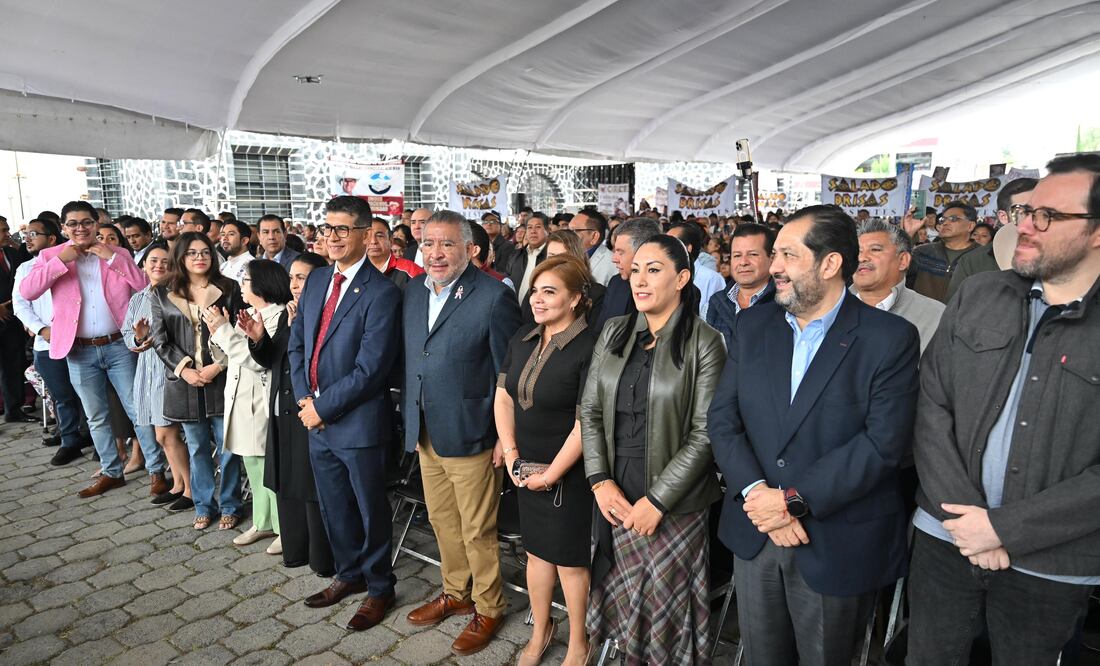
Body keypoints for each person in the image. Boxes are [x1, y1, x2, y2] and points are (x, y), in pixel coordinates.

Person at [908, 154, 1100, 664]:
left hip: (1051, 561)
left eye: (1047, 216)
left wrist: (1004, 528)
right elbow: (931, 404)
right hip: (945, 538)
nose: (1025, 226)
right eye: (1024, 212)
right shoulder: (979, 292)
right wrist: (964, 520)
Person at [707, 205, 919, 666]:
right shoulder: (754, 326)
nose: (774, 267)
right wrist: (758, 494)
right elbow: (723, 420)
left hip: (835, 541)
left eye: (788, 254)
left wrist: (791, 501)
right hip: (757, 531)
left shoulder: (889, 338)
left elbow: (882, 444)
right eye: (775, 254)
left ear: (830, 264)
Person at [581, 234, 724, 664]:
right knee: (622, 603)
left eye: (654, 270)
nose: (640, 280)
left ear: (682, 279)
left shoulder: (705, 341)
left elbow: (705, 433)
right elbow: (590, 409)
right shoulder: (615, 330)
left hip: (673, 499)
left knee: (665, 617)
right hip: (615, 490)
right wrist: (599, 481)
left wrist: (658, 501)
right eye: (636, 270)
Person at [402, 210, 522, 656]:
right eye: (428, 243)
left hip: (473, 432)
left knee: (477, 529)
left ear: (470, 250)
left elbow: (508, 372)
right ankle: (456, 593)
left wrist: (503, 437)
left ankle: (489, 607)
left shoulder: (493, 296)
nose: (435, 253)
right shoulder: (414, 290)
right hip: (426, 431)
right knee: (441, 521)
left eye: (447, 244)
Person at [288, 196, 402, 632]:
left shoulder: (382, 292)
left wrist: (322, 407)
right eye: (327, 228)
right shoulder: (318, 278)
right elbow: (298, 344)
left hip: (357, 423)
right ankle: (349, 573)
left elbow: (371, 370)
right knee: (334, 505)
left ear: (366, 234)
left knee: (370, 509)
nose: (332, 237)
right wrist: (305, 398)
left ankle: (380, 587)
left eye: (342, 229)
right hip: (314, 418)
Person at [20, 201, 162, 497]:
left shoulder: (119, 253)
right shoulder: (50, 255)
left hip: (120, 345)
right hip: (79, 350)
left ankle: (156, 470)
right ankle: (112, 472)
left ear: (96, 224)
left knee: (138, 409)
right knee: (96, 415)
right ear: (63, 228)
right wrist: (61, 261)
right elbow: (28, 291)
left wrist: (112, 258)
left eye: (86, 222)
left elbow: (143, 286)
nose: (80, 228)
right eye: (73, 223)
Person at [497, 255, 597, 665]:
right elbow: (503, 398)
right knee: (536, 554)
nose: (537, 299)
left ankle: (579, 642)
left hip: (569, 473)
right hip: (524, 469)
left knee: (570, 562)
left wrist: (552, 474)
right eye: (535, 291)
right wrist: (512, 455)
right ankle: (541, 630)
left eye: (549, 291)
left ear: (575, 299)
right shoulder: (523, 336)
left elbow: (586, 422)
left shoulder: (591, 346)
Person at [244, 251, 334, 576]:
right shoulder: (288, 313)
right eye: (292, 277)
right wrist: (259, 339)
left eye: (302, 278)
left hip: (309, 410)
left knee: (310, 487)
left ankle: (322, 557)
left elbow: (316, 363)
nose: (294, 285)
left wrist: (299, 329)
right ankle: (295, 549)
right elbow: (274, 360)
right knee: (287, 483)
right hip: (282, 409)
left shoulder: (328, 312)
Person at [150, 231, 244, 530]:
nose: (199, 258)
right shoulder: (162, 291)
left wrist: (219, 365)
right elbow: (160, 340)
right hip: (185, 382)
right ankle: (204, 505)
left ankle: (231, 504)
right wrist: (185, 370)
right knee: (197, 447)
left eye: (205, 252)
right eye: (192, 253)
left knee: (229, 448)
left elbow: (240, 331)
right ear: (181, 257)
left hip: (222, 377)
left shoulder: (229, 287)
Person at [208, 259, 289, 553]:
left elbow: (256, 359)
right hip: (241, 400)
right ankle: (262, 521)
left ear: (262, 285)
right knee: (253, 467)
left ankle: (283, 528)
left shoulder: (279, 316)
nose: (241, 286)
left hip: (262, 403)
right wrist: (216, 331)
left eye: (246, 280)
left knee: (270, 469)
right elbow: (229, 355)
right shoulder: (252, 313)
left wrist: (224, 332)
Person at [12, 219, 88, 457]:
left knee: (88, 393)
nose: (27, 238)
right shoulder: (26, 268)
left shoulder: (75, 261)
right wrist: (41, 329)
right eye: (26, 234)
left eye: (34, 234)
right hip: (45, 342)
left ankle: (92, 437)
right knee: (61, 395)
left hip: (79, 340)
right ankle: (69, 440)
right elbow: (20, 304)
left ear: (52, 238)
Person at [122, 242, 190, 509]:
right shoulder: (138, 298)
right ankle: (178, 485)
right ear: (144, 265)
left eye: (165, 261)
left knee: (167, 434)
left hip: (169, 369)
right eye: (153, 261)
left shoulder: (177, 294)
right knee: (161, 435)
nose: (159, 265)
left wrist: (154, 338)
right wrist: (140, 338)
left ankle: (190, 489)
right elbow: (128, 334)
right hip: (146, 370)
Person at [852, 218, 945, 353]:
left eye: (875, 249)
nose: (862, 258)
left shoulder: (935, 315)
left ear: (903, 261)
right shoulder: (830, 307)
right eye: (857, 251)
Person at [947, 176, 1038, 302]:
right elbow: (955, 308)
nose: (1033, 219)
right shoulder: (972, 262)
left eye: (1043, 211)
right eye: (1024, 212)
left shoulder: (1059, 256)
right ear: (1003, 217)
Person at [706, 223, 776, 351]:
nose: (743, 262)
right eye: (737, 255)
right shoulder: (717, 301)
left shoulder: (784, 302)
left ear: (772, 259)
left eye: (753, 254)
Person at [593, 218, 661, 332]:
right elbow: (600, 331)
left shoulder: (665, 290)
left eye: (620, 252)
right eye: (614, 251)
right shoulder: (616, 283)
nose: (614, 259)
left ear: (643, 252)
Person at [908, 200, 979, 303]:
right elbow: (896, 274)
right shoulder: (922, 252)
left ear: (970, 226)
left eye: (954, 219)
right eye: (942, 219)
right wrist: (909, 234)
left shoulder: (982, 256)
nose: (945, 223)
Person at [0, 215, 30, 424]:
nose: (7, 234)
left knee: (14, 364)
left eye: (7, 229)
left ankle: (14, 408)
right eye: (3, 230)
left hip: (13, 320)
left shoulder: (12, 253)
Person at [540, 230, 605, 326]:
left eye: (562, 257)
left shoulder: (597, 294)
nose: (555, 263)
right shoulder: (537, 289)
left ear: (577, 259)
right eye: (551, 257)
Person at [668, 222, 725, 319]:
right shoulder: (663, 276)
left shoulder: (712, 279)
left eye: (670, 244)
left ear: (687, 248)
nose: (663, 249)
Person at [365, 217, 424, 290]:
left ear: (391, 241)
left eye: (379, 236)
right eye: (368, 236)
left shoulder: (411, 270)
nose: (373, 241)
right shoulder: (356, 270)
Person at [509, 212, 549, 303]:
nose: (533, 231)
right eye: (529, 227)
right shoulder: (515, 255)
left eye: (538, 227)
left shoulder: (551, 256)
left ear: (547, 230)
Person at [569, 209, 615, 285]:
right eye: (568, 231)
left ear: (594, 236)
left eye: (574, 231)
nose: (567, 236)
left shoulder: (612, 264)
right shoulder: (568, 255)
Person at [219, 219, 255, 284]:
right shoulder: (223, 266)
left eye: (231, 234)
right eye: (223, 234)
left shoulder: (253, 266)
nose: (225, 238)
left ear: (244, 241)